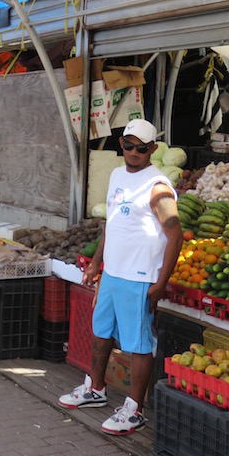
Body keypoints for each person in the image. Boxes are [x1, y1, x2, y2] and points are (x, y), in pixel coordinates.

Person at [58, 118, 183, 434]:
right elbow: (110, 224)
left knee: (139, 343)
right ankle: (95, 388)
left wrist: (160, 282)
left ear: (152, 149)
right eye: (128, 145)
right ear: (121, 144)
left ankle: (135, 409)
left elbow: (176, 235)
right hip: (112, 273)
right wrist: (97, 263)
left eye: (141, 148)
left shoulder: (157, 187)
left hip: (139, 276)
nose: (133, 152)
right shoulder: (116, 176)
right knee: (102, 331)